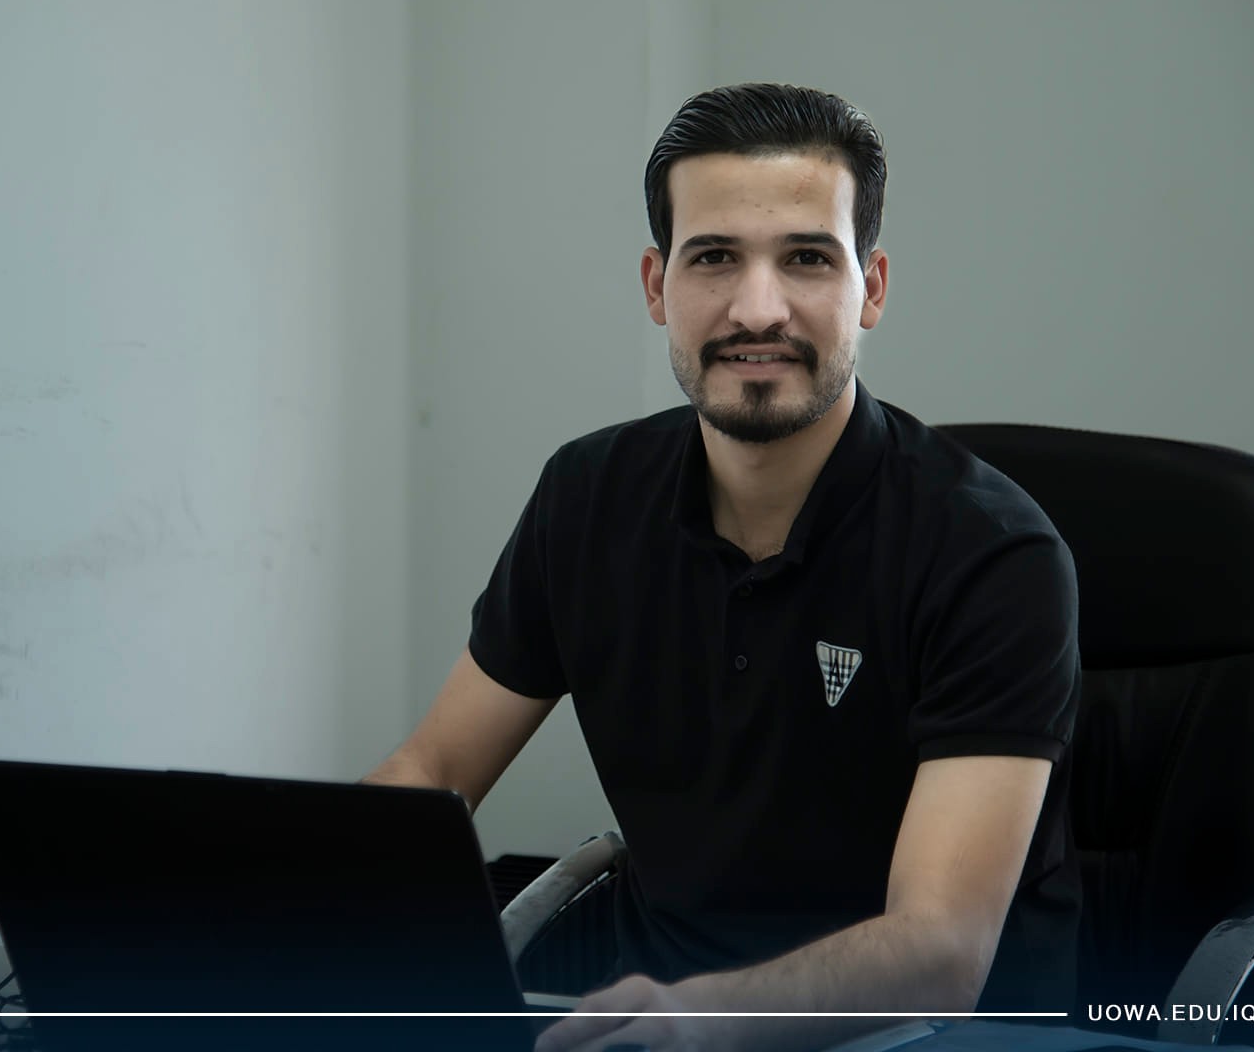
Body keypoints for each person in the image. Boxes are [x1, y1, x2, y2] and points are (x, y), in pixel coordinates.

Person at [365, 83, 1080, 1052]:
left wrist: (708, 1017)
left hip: (926, 1039)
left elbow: (941, 947)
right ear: (657, 286)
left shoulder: (991, 552)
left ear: (871, 287)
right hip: (648, 1026)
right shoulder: (587, 495)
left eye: (806, 258)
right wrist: (288, 901)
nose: (757, 309)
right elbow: (435, 767)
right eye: (714, 257)